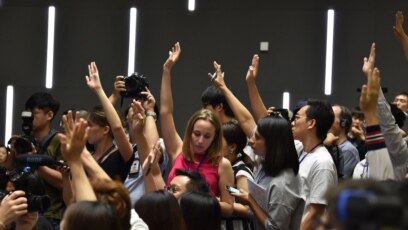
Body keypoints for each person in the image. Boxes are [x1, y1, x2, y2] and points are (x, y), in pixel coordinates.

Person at [211, 60, 305, 229]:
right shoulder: (266, 163)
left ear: (272, 143)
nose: (252, 140)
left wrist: (249, 201)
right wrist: (227, 87)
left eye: (258, 137)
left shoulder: (283, 183)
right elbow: (247, 120)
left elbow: (275, 228)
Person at [159, 42, 234, 216]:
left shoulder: (223, 165)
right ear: (190, 132)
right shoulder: (179, 151)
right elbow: (166, 112)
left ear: (215, 138)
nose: (200, 141)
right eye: (197, 134)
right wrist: (166, 70)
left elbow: (229, 208)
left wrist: (196, 198)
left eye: (207, 136)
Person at [85, 62, 134, 181]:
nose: (86, 129)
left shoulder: (122, 153)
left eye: (90, 125)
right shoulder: (87, 154)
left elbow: (117, 127)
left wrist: (98, 89)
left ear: (106, 129)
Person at [24, 92, 63, 229]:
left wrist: (35, 162)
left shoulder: (60, 140)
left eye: (34, 114)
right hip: (25, 214)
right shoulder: (25, 141)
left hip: (50, 214)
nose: (29, 119)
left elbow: (64, 182)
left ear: (49, 115)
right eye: (27, 114)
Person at [328, 105, 359, 179]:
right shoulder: (329, 146)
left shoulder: (348, 150)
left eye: (331, 117)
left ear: (343, 123)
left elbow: (339, 183)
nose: (327, 120)